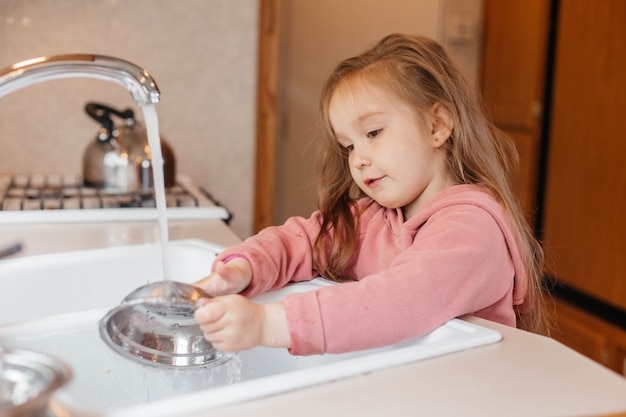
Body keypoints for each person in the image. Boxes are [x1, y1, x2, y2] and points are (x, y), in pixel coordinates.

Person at [193, 33, 550, 355]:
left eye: (374, 132)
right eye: (348, 146)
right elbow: (299, 239)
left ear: (436, 125)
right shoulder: (372, 218)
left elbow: (401, 299)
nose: (359, 159)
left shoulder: (472, 230)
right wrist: (242, 268)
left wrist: (265, 325)